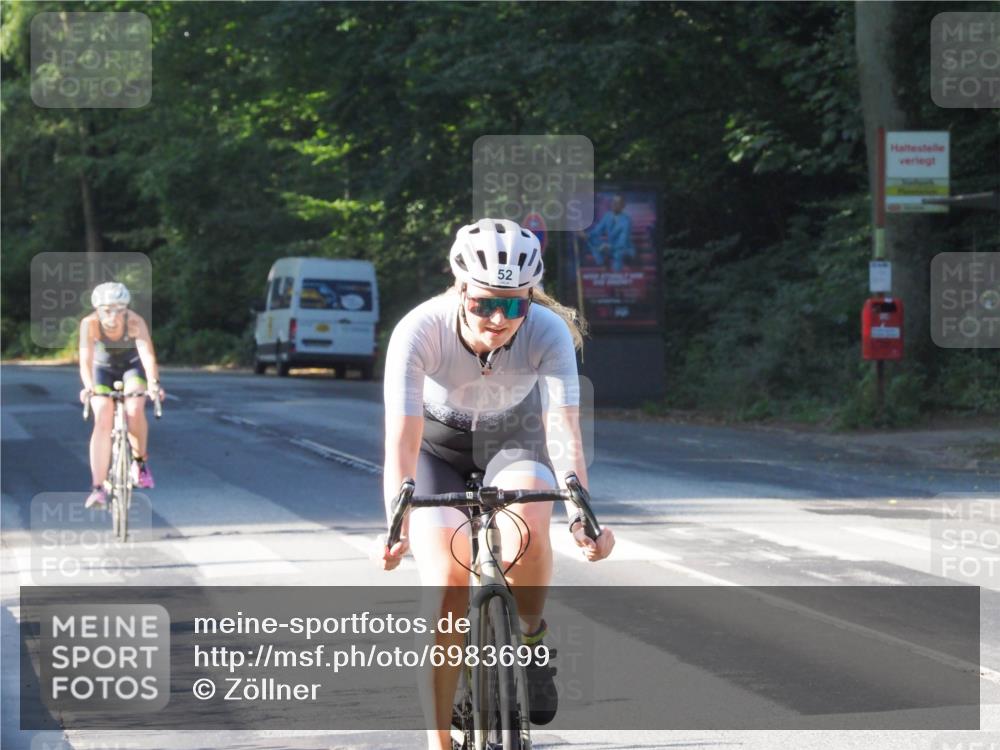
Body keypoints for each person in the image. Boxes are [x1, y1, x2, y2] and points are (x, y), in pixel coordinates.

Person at [376, 218, 615, 750]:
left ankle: (530, 639)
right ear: (460, 288)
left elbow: (563, 430)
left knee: (532, 522)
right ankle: (439, 741)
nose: (500, 318)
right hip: (437, 450)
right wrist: (395, 522)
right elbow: (401, 442)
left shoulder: (547, 331)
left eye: (514, 304)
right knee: (445, 592)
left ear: (531, 298)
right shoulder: (419, 330)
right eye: (486, 303)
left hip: (512, 441)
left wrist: (582, 511)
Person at [78, 282, 164, 509]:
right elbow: (85, 360)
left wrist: (154, 383)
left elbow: (147, 355)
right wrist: (88, 386)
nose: (113, 315)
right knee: (103, 415)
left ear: (126, 309)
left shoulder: (135, 321)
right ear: (98, 309)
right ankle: (98, 488)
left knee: (135, 408)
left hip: (130, 368)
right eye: (107, 309)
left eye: (119, 309)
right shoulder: (89, 324)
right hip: (101, 370)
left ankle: (139, 463)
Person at [577, 194, 635, 271]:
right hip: (610, 247)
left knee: (618, 253)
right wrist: (586, 235)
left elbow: (622, 241)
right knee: (591, 239)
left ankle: (616, 274)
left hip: (624, 248)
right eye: (613, 201)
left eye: (617, 202)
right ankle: (602, 263)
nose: (614, 204)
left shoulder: (627, 220)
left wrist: (609, 246)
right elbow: (597, 230)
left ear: (623, 206)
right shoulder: (607, 216)